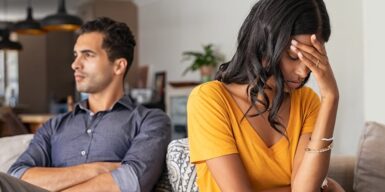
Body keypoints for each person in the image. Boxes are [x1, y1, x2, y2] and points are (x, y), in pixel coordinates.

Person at [188, 0, 345, 191]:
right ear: (264, 43)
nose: (304, 72)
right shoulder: (209, 100)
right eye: (293, 56)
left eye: (313, 59)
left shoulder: (307, 102)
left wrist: (330, 96)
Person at [2, 17, 171, 192]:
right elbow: (17, 176)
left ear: (118, 66)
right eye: (76, 55)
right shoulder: (54, 126)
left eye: (88, 54)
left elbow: (130, 181)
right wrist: (96, 169)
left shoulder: (150, 121)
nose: (75, 64)